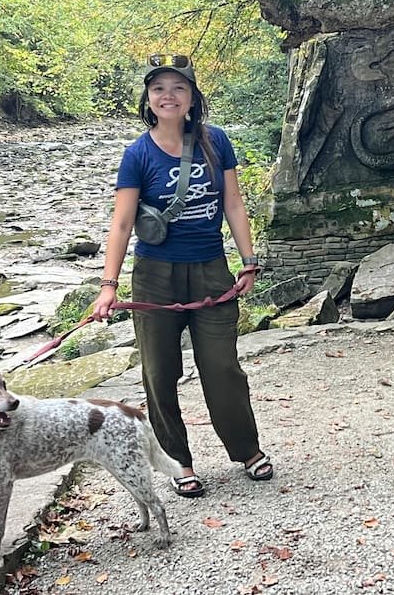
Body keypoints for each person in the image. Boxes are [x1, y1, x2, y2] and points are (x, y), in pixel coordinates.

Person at [92, 53, 272, 498]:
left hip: (211, 268)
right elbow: (120, 223)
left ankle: (245, 449)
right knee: (159, 371)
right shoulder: (138, 154)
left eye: (178, 88)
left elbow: (233, 203)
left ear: (192, 98)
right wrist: (108, 286)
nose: (168, 96)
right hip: (155, 274)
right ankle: (178, 462)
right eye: (159, 89)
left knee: (222, 368)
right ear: (148, 100)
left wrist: (248, 260)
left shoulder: (216, 142)